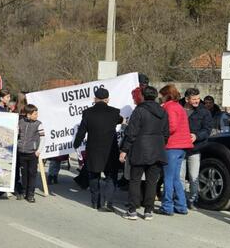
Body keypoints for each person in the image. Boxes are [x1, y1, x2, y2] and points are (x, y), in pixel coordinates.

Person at [118, 86, 168, 220]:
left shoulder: (139, 111)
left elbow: (131, 133)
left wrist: (124, 150)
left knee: (135, 180)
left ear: (143, 96)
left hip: (139, 148)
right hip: (157, 149)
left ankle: (132, 210)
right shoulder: (163, 111)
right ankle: (148, 211)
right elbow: (166, 133)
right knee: (152, 182)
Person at [73, 87, 124, 211]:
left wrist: (76, 143)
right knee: (111, 176)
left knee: (94, 176)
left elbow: (81, 131)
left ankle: (95, 202)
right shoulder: (115, 112)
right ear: (107, 99)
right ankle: (108, 202)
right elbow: (121, 120)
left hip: (93, 149)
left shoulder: (87, 113)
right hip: (110, 150)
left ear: (94, 99)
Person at [159, 85, 193, 216]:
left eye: (162, 95)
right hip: (182, 146)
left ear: (167, 95)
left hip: (172, 146)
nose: (160, 97)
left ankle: (167, 206)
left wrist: (161, 134)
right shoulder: (179, 106)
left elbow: (171, 126)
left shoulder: (169, 107)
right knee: (175, 178)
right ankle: (181, 205)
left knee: (168, 178)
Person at [181, 87, 213, 208]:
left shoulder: (204, 111)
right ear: (187, 99)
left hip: (195, 148)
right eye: (194, 99)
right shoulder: (178, 108)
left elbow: (207, 129)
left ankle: (193, 200)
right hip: (180, 147)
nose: (197, 101)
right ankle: (181, 199)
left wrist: (196, 136)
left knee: (194, 176)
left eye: (198, 98)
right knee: (180, 176)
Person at [16, 105, 44, 203]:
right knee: (24, 173)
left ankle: (30, 194)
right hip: (22, 152)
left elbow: (43, 138)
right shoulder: (21, 122)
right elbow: (17, 134)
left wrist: (38, 151)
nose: (37, 115)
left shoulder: (38, 124)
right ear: (28, 114)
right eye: (35, 114)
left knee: (32, 174)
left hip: (32, 153)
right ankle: (24, 192)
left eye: (37, 113)